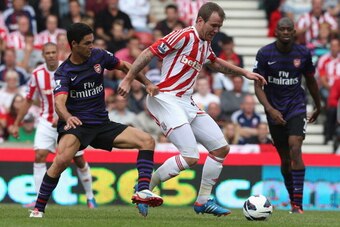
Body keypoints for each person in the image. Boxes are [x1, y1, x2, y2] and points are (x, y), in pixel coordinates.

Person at [118, 2, 266, 217]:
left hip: (186, 102)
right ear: (200, 20)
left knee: (221, 149)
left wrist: (245, 73)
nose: (216, 30)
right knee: (191, 155)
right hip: (165, 98)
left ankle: (202, 201)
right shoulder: (183, 36)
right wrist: (129, 78)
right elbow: (149, 53)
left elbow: (215, 64)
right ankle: (144, 189)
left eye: (219, 27)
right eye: (213, 25)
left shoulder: (206, 44)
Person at [28, 23, 163, 218]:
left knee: (148, 141)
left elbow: (125, 66)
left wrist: (148, 83)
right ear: (74, 44)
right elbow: (59, 102)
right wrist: (68, 117)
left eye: (92, 42)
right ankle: (38, 208)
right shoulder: (64, 72)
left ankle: (142, 190)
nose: (91, 46)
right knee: (61, 161)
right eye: (87, 43)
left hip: (102, 124)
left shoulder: (99, 56)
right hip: (78, 127)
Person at [9, 42, 97, 209]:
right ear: (43, 55)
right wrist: (16, 123)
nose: (50, 55)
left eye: (53, 52)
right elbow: (28, 99)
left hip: (69, 122)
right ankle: (39, 199)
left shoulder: (69, 69)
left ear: (58, 53)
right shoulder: (37, 74)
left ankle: (90, 196)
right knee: (39, 156)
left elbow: (79, 96)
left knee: (78, 159)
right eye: (47, 53)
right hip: (46, 121)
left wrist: (68, 116)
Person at [253, 17, 321, 214]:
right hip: (274, 110)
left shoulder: (303, 53)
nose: (284, 32)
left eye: (288, 29)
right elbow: (258, 86)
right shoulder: (265, 53)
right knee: (284, 159)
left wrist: (318, 105)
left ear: (293, 32)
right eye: (281, 29)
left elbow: (311, 80)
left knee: (295, 145)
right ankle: (293, 199)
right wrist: (270, 109)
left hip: (296, 106)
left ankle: (298, 205)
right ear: (276, 31)